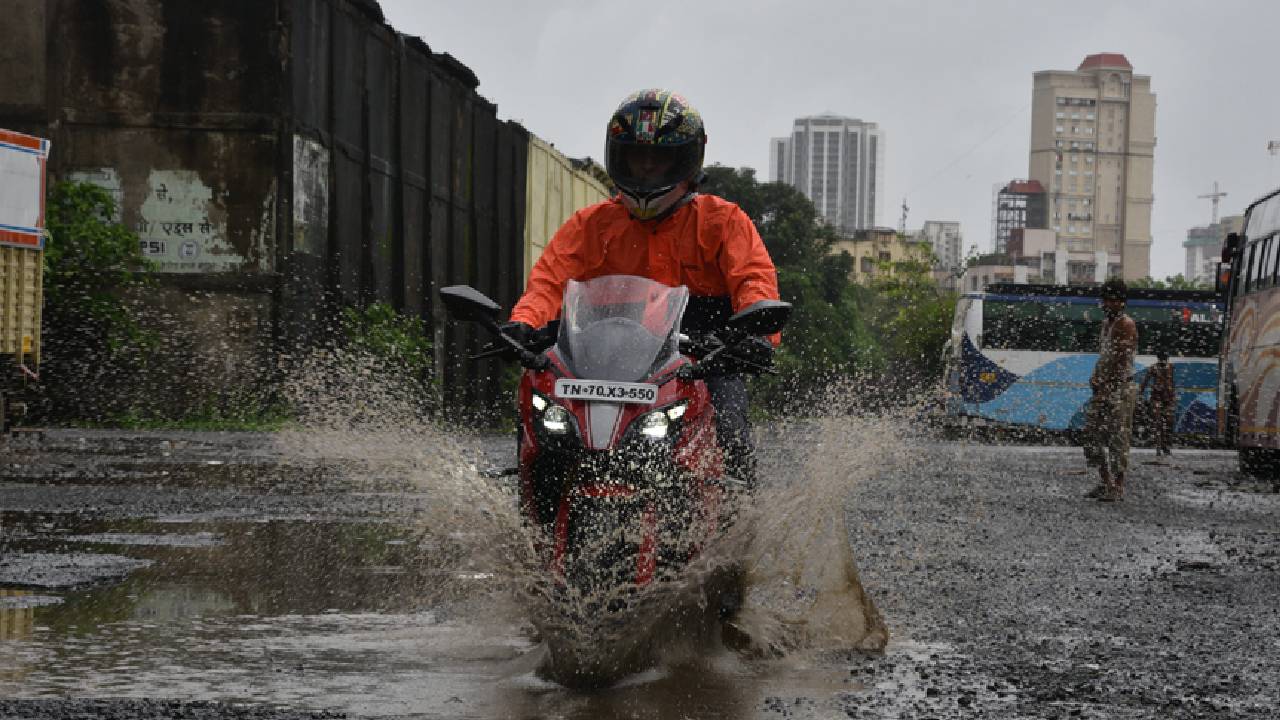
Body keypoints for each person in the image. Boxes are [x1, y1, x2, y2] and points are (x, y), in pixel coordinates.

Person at [503, 89, 781, 488]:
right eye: (637, 158)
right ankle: (533, 505)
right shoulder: (590, 225)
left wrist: (756, 336)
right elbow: (547, 283)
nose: (647, 169)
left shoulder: (723, 222)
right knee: (538, 398)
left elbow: (754, 281)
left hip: (704, 355)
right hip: (605, 358)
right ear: (619, 157)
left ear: (686, 161)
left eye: (659, 159)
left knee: (730, 427)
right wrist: (523, 324)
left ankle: (740, 514)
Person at [1083, 277, 1139, 502]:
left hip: (1120, 388)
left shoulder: (1126, 325)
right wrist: (1095, 377)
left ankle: (1117, 487)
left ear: (1122, 301)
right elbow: (1105, 356)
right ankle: (1105, 482)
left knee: (1118, 438)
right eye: (1105, 299)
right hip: (1104, 387)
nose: (1107, 304)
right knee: (1091, 435)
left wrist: (1107, 386)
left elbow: (1121, 360)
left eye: (1112, 300)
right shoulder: (1106, 324)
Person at [1140, 349, 1176, 456]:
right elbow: (1145, 382)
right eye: (1162, 359)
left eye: (1166, 358)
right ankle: (1159, 447)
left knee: (1168, 422)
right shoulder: (1153, 368)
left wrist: (1173, 395)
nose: (1164, 361)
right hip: (1157, 398)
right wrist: (1141, 394)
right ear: (1158, 359)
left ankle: (1166, 446)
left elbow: (1172, 382)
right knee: (1158, 423)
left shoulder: (1171, 367)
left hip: (1168, 398)